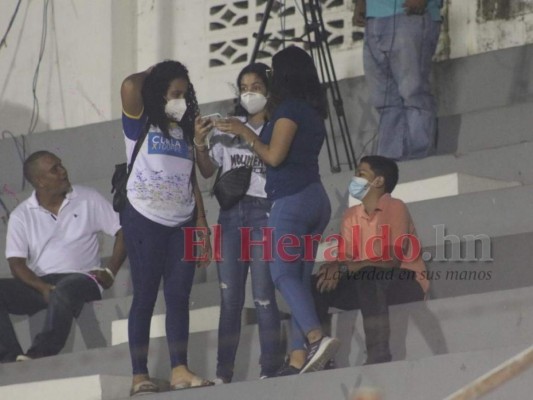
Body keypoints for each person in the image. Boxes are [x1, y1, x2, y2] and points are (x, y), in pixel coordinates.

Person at [215, 46, 340, 376]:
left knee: (281, 273)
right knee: (298, 277)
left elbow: (273, 157)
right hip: (315, 199)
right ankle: (299, 355)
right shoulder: (314, 111)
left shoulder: (289, 110)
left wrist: (245, 133)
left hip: (292, 200)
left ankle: (315, 338)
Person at [120, 61, 213, 396]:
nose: (182, 101)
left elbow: (201, 176)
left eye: (186, 95)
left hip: (183, 221)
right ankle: (139, 375)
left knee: (178, 297)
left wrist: (201, 223)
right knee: (145, 295)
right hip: (144, 218)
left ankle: (179, 369)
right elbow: (130, 85)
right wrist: (157, 71)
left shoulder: (187, 129)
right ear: (160, 92)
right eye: (175, 94)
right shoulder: (140, 122)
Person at [194, 63, 282, 383]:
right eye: (244, 87)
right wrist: (201, 142)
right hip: (230, 215)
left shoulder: (277, 128)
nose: (249, 92)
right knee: (230, 297)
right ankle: (223, 373)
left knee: (262, 294)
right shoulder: (228, 127)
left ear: (269, 91)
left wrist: (245, 133)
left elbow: (279, 163)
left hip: (264, 212)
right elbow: (206, 171)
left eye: (256, 86)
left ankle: (270, 368)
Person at [1, 151, 126, 362]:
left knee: (66, 287)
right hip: (42, 284)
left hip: (83, 278)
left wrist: (110, 271)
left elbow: (124, 232)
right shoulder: (21, 215)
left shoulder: (87, 197)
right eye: (54, 169)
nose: (63, 171)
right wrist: (42, 288)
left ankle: (39, 353)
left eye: (61, 165)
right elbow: (16, 263)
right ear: (40, 181)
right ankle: (9, 359)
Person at [313, 155, 429, 364]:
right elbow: (344, 260)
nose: (355, 178)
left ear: (379, 181)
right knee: (315, 282)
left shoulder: (395, 206)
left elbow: (391, 260)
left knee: (368, 274)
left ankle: (379, 355)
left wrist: (347, 267)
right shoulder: (350, 215)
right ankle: (320, 354)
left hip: (405, 283)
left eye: (361, 174)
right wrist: (333, 266)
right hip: (367, 286)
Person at [353, 0, 442, 160]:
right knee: (384, 100)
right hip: (374, 19)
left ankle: (418, 160)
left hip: (409, 13)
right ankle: (390, 165)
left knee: (413, 93)